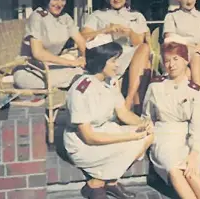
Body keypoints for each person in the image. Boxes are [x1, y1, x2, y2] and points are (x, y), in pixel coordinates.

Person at [64, 34, 154, 199]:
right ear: (100, 61)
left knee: (148, 135)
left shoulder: (109, 82)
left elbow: (123, 113)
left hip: (104, 130)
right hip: (82, 143)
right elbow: (89, 137)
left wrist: (144, 123)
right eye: (113, 60)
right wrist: (128, 136)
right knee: (135, 141)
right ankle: (97, 185)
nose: (117, 65)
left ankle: (106, 182)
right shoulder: (81, 89)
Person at [142, 42, 200, 199]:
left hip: (187, 138)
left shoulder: (193, 90)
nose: (171, 65)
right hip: (163, 137)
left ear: (186, 60)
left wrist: (194, 153)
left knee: (192, 172)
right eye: (167, 60)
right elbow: (147, 116)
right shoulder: (155, 86)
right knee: (174, 170)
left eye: (175, 59)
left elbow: (197, 127)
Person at [81, 0, 151, 113]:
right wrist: (105, 30)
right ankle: (134, 108)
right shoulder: (97, 15)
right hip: (108, 56)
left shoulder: (136, 16)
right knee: (146, 64)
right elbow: (83, 37)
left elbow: (139, 42)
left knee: (144, 47)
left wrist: (130, 32)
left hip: (131, 56)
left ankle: (129, 100)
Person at [13, 0, 86, 89]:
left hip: (51, 66)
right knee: (80, 75)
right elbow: (38, 53)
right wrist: (71, 63)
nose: (59, 4)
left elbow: (81, 41)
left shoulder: (65, 17)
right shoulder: (37, 17)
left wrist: (84, 57)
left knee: (85, 72)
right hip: (31, 71)